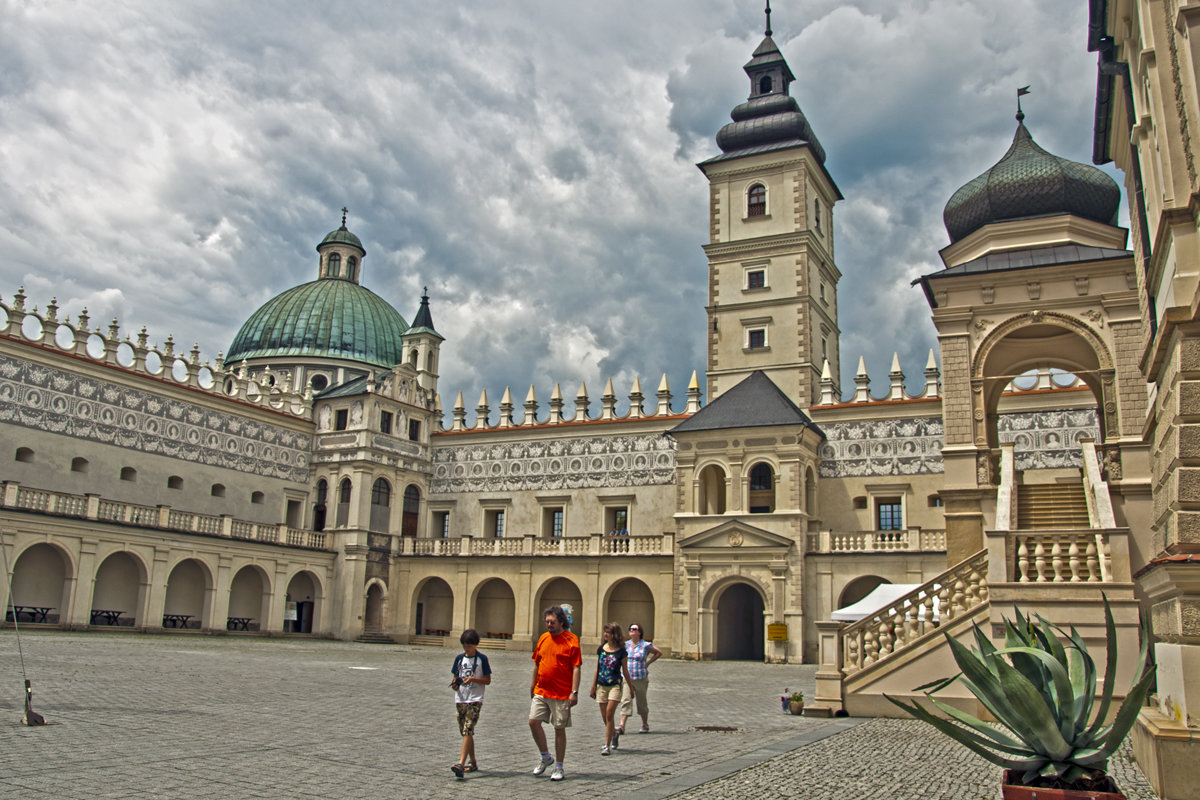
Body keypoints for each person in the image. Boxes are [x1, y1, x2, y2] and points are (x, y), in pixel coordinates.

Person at [529, 605, 581, 782]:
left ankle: (559, 766)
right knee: (533, 721)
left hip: (561, 693)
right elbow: (537, 663)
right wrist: (532, 685)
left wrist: (574, 692)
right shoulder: (543, 638)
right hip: (542, 690)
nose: (549, 625)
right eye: (547, 622)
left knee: (559, 729)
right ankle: (545, 756)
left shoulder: (571, 640)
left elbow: (576, 667)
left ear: (561, 622)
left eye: (552, 622)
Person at [450, 628, 492, 779]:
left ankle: (461, 763)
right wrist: (455, 684)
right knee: (466, 732)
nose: (466, 649)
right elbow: (455, 677)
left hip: (475, 699)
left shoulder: (482, 659)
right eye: (464, 646)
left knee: (468, 730)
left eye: (469, 646)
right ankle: (473, 762)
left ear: (475, 645)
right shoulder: (459, 659)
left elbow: (487, 680)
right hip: (460, 698)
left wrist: (474, 679)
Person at [589, 621, 632, 754]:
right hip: (601, 685)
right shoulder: (601, 649)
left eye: (608, 632)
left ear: (614, 634)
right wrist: (593, 686)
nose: (605, 634)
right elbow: (598, 668)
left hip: (615, 685)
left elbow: (625, 671)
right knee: (605, 717)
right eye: (605, 632)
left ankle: (606, 745)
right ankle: (614, 734)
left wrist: (630, 688)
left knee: (609, 714)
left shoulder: (621, 652)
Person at [618, 622, 662, 735]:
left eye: (634, 629)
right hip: (627, 678)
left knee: (641, 702)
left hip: (641, 677)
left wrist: (648, 663)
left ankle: (645, 724)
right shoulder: (625, 645)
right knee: (626, 700)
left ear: (639, 632)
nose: (632, 630)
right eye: (630, 629)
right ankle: (622, 725)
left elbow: (658, 653)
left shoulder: (646, 645)